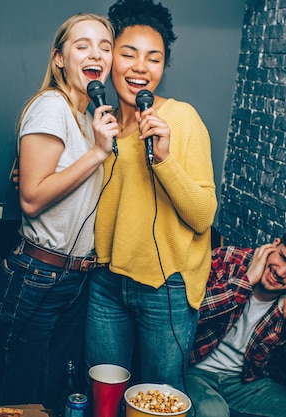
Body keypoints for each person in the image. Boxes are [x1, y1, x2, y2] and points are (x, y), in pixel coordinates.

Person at [0, 13, 117, 409]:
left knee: (50, 394)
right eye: (82, 45)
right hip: (37, 276)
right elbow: (31, 198)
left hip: (74, 279)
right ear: (59, 58)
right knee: (19, 397)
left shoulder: (85, 114)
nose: (96, 53)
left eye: (105, 46)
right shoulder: (50, 106)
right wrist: (96, 154)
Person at [85, 0, 218, 391]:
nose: (140, 67)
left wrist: (163, 160)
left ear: (163, 66)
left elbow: (203, 216)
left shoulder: (181, 118)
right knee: (102, 395)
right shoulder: (100, 124)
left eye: (153, 58)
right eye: (128, 54)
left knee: (161, 399)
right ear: (110, 59)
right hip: (106, 282)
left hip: (166, 288)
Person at [186, 223, 286, 417]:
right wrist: (246, 282)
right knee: (213, 412)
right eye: (282, 258)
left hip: (244, 384)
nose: (281, 272)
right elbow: (185, 315)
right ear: (275, 244)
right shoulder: (229, 260)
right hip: (192, 371)